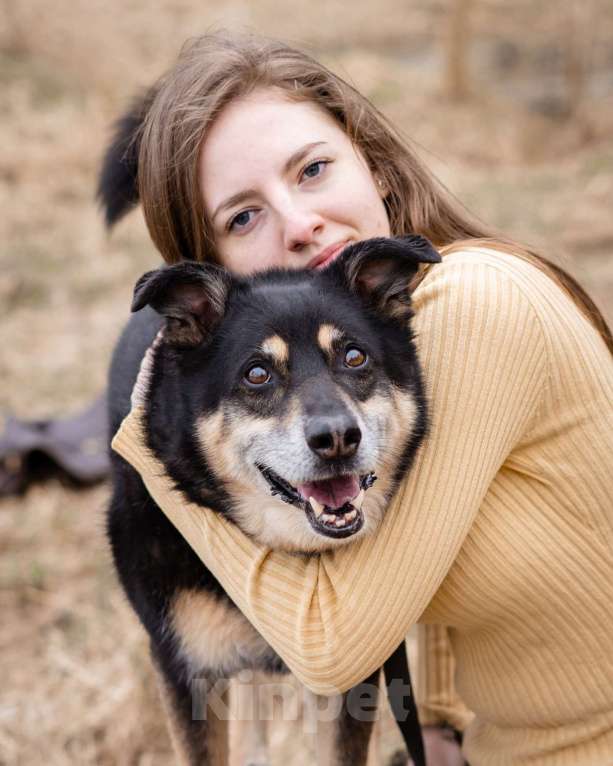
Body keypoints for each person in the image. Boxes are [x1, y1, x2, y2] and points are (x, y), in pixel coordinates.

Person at [108, 32, 613, 765]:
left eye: (312, 170)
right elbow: (440, 522)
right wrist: (436, 723)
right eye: (243, 216)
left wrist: (150, 450)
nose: (299, 222)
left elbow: (332, 651)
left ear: (371, 165)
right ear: (215, 269)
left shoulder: (471, 307)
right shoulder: (398, 329)